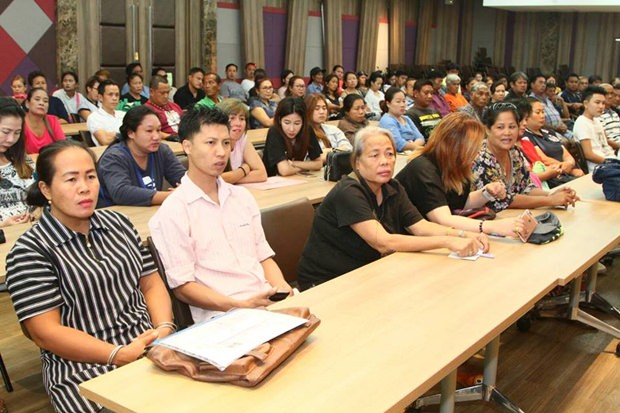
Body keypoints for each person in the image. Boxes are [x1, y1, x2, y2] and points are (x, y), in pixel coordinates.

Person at [5, 140, 173, 413]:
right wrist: (116, 354)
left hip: (150, 347)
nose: (84, 187)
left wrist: (164, 328)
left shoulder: (118, 224)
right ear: (46, 189)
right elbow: (46, 332)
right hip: (83, 370)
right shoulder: (30, 251)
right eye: (71, 179)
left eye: (90, 177)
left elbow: (151, 282)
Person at [296, 126, 487, 290]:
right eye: (374, 155)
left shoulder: (392, 187)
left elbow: (421, 227)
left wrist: (463, 235)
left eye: (389, 154)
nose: (385, 161)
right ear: (357, 163)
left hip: (369, 271)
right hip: (328, 282)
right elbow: (384, 242)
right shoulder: (348, 192)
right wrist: (447, 242)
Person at [148, 107, 292, 322]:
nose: (222, 152)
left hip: (266, 303)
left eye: (226, 143)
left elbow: (263, 256)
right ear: (187, 146)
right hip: (222, 316)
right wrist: (240, 306)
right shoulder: (174, 211)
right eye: (210, 143)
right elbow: (183, 288)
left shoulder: (242, 197)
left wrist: (282, 289)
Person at [396, 112, 524, 238]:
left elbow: (460, 202)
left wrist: (486, 193)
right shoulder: (423, 168)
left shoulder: (457, 166)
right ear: (456, 146)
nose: (477, 152)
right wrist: (494, 227)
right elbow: (443, 220)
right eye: (474, 147)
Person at [472, 102, 579, 212]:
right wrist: (550, 200)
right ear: (488, 129)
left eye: (512, 127)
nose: (507, 132)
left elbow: (526, 188)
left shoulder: (514, 151)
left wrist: (552, 194)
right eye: (500, 127)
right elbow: (503, 200)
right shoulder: (481, 157)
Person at [97, 106, 185, 207]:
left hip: (148, 213)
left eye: (159, 130)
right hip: (115, 216)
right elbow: (121, 192)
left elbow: (184, 178)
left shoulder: (161, 151)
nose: (156, 137)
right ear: (131, 133)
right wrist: (172, 196)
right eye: (149, 131)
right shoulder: (113, 157)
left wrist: (185, 188)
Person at [522, 98, 583, 186]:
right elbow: (543, 159)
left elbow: (566, 154)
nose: (542, 115)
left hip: (566, 171)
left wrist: (569, 163)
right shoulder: (525, 136)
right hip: (553, 177)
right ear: (526, 116)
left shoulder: (549, 132)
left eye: (543, 112)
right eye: (538, 112)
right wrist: (568, 170)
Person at [262, 97, 322, 176]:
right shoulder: (274, 132)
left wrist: (294, 163)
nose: (291, 129)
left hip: (296, 178)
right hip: (273, 181)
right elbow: (284, 171)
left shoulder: (307, 129)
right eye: (287, 123)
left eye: (297, 123)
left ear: (303, 121)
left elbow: (318, 164)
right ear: (279, 120)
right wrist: (307, 166)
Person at [0, 97, 35, 226]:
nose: (11, 139)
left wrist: (36, 214)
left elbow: (39, 201)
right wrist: (4, 225)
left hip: (30, 231)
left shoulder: (23, 160)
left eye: (17, 133)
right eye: (5, 132)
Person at [217, 98, 267, 184]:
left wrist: (232, 179)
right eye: (232, 118)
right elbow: (215, 180)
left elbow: (262, 174)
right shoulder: (214, 144)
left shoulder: (242, 138)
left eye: (242, 118)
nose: (238, 123)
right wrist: (244, 169)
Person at [573, 86, 618, 172]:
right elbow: (588, 154)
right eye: (597, 102)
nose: (601, 106)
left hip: (611, 162)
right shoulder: (582, 122)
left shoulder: (597, 120)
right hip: (600, 168)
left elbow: (605, 144)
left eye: (603, 103)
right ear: (586, 104)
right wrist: (610, 163)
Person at [305, 93, 352, 163]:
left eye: (324, 108)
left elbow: (349, 149)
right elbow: (313, 159)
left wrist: (328, 150)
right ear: (308, 110)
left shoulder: (333, 129)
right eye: (317, 108)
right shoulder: (304, 133)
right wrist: (338, 151)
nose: (322, 112)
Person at [378, 87, 425, 151]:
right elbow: (399, 144)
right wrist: (415, 147)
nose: (402, 105)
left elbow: (420, 137)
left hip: (412, 152)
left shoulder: (407, 118)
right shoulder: (387, 120)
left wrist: (413, 145)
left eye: (403, 101)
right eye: (398, 101)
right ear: (388, 104)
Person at [23, 88, 66, 154]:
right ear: (27, 103)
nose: (41, 103)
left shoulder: (52, 120)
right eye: (37, 99)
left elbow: (62, 147)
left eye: (45, 101)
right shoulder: (20, 122)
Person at [87, 79, 125, 146]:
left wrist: (113, 134)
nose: (114, 98)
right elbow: (105, 141)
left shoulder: (123, 114)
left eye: (117, 95)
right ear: (100, 97)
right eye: (110, 94)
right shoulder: (94, 117)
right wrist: (124, 134)